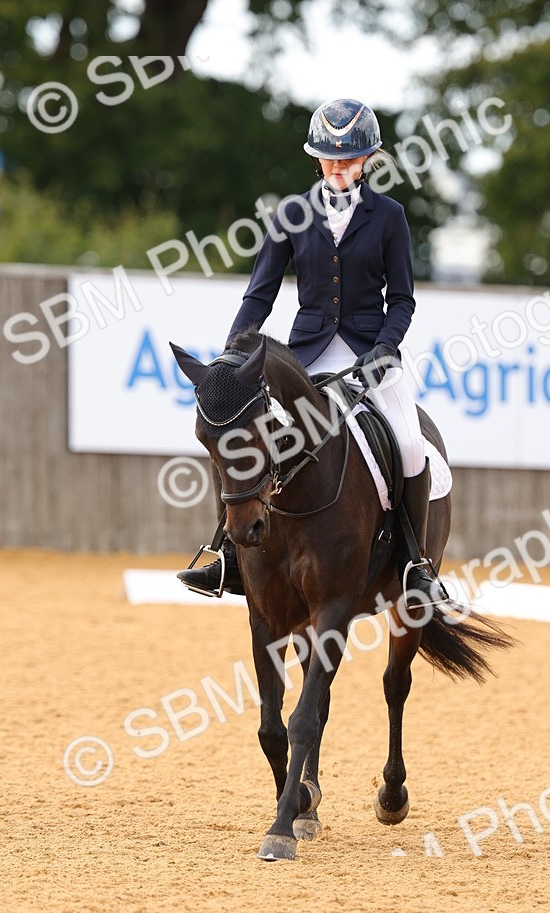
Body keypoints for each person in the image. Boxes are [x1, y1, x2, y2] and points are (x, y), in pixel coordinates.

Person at [178, 97, 447, 611]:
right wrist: (232, 357)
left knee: (412, 447)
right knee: (245, 437)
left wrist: (385, 350)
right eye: (329, 159)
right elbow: (260, 293)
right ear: (315, 158)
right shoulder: (290, 214)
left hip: (374, 354)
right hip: (310, 354)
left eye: (349, 159)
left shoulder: (389, 217)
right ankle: (229, 557)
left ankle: (415, 565)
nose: (339, 167)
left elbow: (403, 299)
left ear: (369, 159)